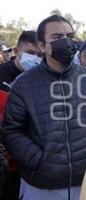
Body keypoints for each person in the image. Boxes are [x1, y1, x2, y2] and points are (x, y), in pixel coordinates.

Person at [1, 15, 86, 200]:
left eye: (70, 36)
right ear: (42, 46)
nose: (66, 42)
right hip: (40, 186)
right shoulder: (23, 84)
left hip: (83, 182)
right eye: (57, 38)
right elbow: (12, 131)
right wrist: (40, 160)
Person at [0, 30, 41, 200]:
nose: (35, 58)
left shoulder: (39, 81)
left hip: (24, 163)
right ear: (16, 51)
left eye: (39, 55)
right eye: (30, 53)